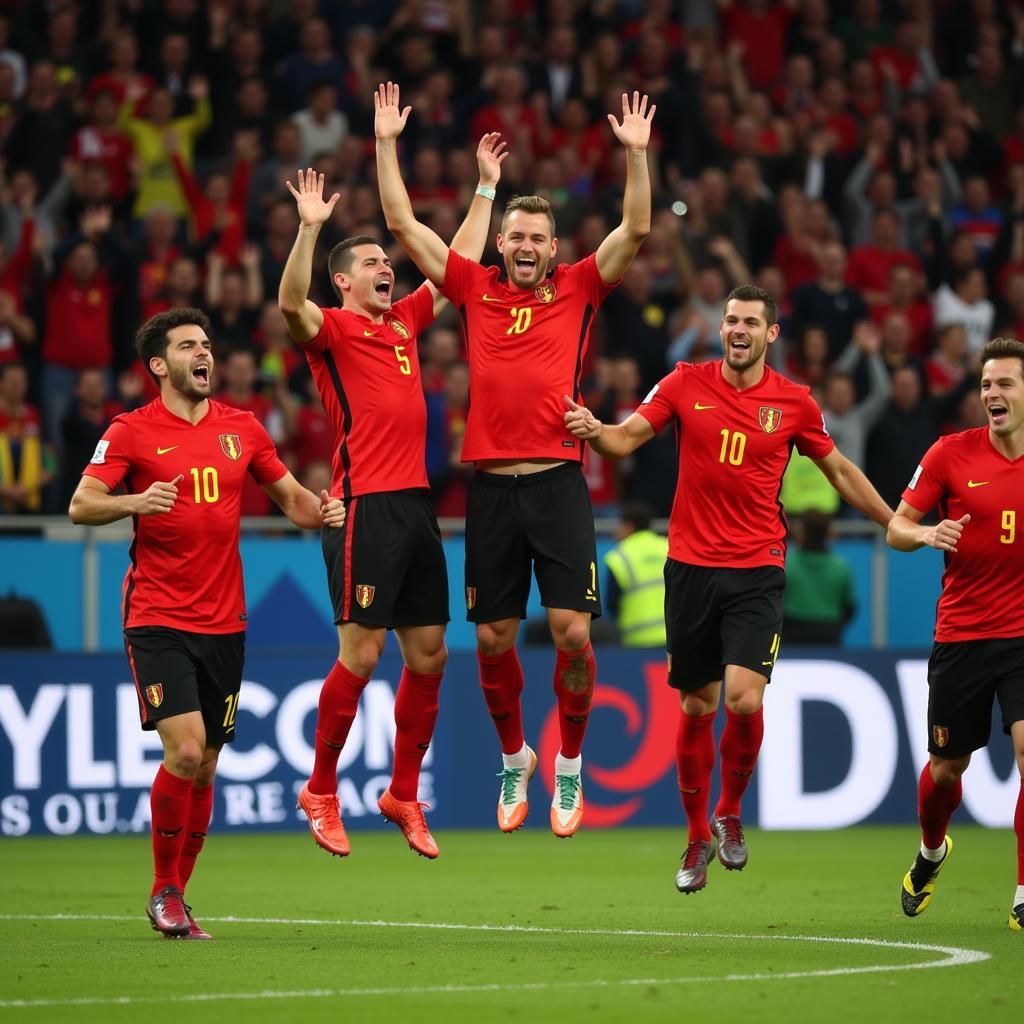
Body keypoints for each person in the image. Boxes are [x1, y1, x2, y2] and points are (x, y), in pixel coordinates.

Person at [375, 81, 654, 838]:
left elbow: (636, 224)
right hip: (492, 491)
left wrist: (635, 155)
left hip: (560, 484)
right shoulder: (472, 289)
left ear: (553, 248)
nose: (526, 246)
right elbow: (402, 221)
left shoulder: (582, 286)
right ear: (499, 243)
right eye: (515, 236)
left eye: (538, 237)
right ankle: (515, 757)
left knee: (571, 632)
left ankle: (569, 766)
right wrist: (387, 141)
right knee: (493, 640)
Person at [563, 284, 893, 892]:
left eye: (750, 322)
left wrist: (893, 519)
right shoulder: (684, 383)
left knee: (743, 698)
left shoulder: (794, 402)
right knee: (696, 707)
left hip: (758, 568)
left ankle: (730, 812)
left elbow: (840, 469)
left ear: (771, 334)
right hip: (689, 568)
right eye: (729, 320)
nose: (737, 330)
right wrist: (593, 428)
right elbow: (626, 437)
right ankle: (694, 838)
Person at [68, 308, 344, 939]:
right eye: (189, 345)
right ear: (159, 365)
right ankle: (162, 889)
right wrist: (135, 501)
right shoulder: (131, 431)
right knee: (186, 749)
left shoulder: (242, 428)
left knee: (209, 763)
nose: (204, 354)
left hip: (225, 619)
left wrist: (323, 511)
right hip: (158, 615)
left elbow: (292, 498)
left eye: (207, 344)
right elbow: (82, 504)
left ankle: (180, 898)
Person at [278, 131, 506, 859]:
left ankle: (403, 793)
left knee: (432, 654)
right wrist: (311, 231)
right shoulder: (334, 329)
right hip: (364, 505)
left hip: (416, 508)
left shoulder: (405, 321)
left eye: (387, 262)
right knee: (362, 653)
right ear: (343, 281)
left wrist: (485, 189)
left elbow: (458, 267)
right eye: (374, 263)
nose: (387, 268)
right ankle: (320, 788)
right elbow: (290, 304)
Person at [886, 336, 1024, 932]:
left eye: (1005, 384)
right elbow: (896, 527)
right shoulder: (949, 454)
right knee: (946, 770)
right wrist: (925, 534)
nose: (992, 394)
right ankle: (932, 850)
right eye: (987, 384)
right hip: (963, 635)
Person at [783, 509, 855, 645]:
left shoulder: (787, 564)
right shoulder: (840, 566)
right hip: (829, 633)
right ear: (828, 534)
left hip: (792, 634)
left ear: (802, 533)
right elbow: (849, 608)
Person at [603, 501, 668, 647]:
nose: (616, 530)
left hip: (637, 641)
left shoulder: (618, 557)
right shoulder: (669, 547)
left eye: (619, 525)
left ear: (629, 526)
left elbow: (612, 603)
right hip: (675, 638)